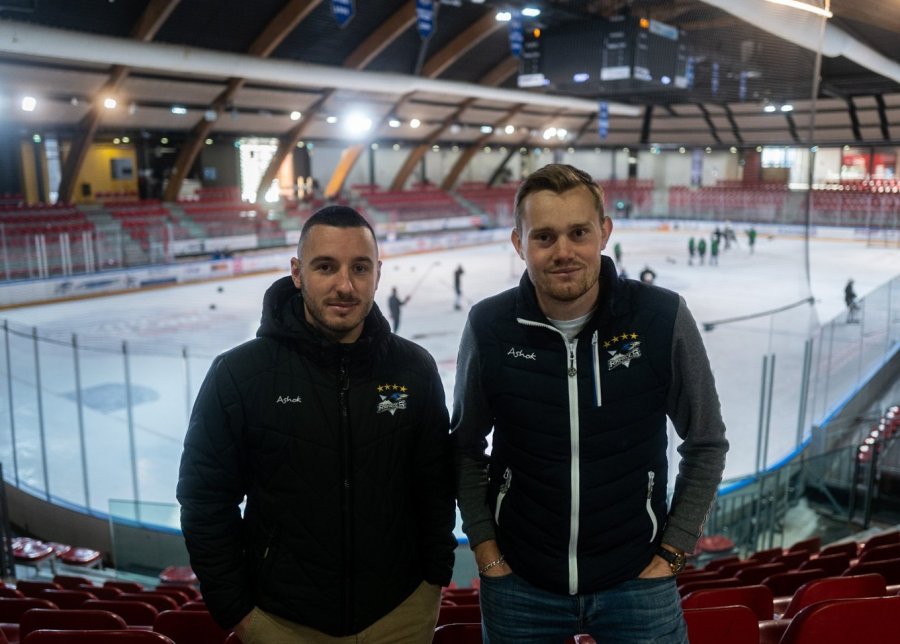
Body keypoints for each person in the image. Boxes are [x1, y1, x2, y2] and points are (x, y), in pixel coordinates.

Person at [452, 164, 728, 643]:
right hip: (520, 587)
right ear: (519, 244)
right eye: (544, 237)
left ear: (604, 232)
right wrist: (487, 551)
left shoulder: (661, 318)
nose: (564, 252)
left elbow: (705, 441)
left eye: (578, 233)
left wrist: (674, 552)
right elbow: (464, 445)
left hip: (639, 583)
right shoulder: (489, 326)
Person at [178, 205, 456, 644]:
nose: (344, 285)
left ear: (378, 274)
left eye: (359, 268)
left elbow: (436, 483)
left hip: (400, 614)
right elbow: (204, 500)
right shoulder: (239, 374)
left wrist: (432, 582)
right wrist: (239, 611)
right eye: (325, 266)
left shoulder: (414, 369)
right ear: (297, 272)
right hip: (281, 621)